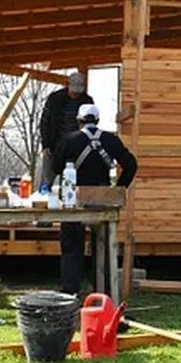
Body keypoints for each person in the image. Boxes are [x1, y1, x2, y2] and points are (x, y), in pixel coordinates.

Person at [51, 104, 137, 296]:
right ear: (97, 120)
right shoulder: (111, 140)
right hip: (102, 199)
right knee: (104, 246)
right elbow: (131, 164)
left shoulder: (69, 140)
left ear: (79, 120)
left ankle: (70, 291)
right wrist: (119, 188)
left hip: (74, 199)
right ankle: (104, 289)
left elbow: (56, 167)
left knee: (72, 246)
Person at [39, 70, 94, 187]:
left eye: (78, 92)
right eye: (73, 91)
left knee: (71, 181)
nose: (75, 94)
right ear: (67, 85)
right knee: (47, 179)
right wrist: (45, 144)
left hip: (76, 147)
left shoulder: (87, 101)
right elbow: (44, 122)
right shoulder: (54, 99)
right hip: (54, 144)